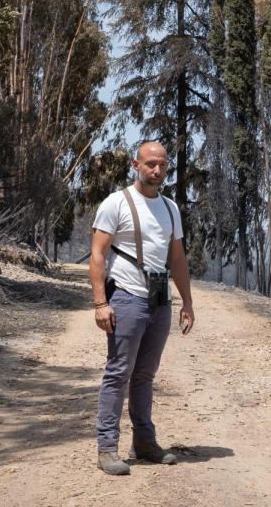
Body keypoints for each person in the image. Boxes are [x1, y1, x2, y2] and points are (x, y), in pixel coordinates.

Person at [88, 141, 196, 476]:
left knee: (145, 375)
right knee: (119, 372)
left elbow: (177, 258)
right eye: (150, 164)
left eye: (162, 165)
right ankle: (107, 448)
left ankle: (144, 442)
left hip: (159, 301)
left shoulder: (170, 208)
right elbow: (97, 255)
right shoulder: (116, 203)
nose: (157, 170)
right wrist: (101, 304)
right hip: (126, 298)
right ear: (136, 164)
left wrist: (187, 303)